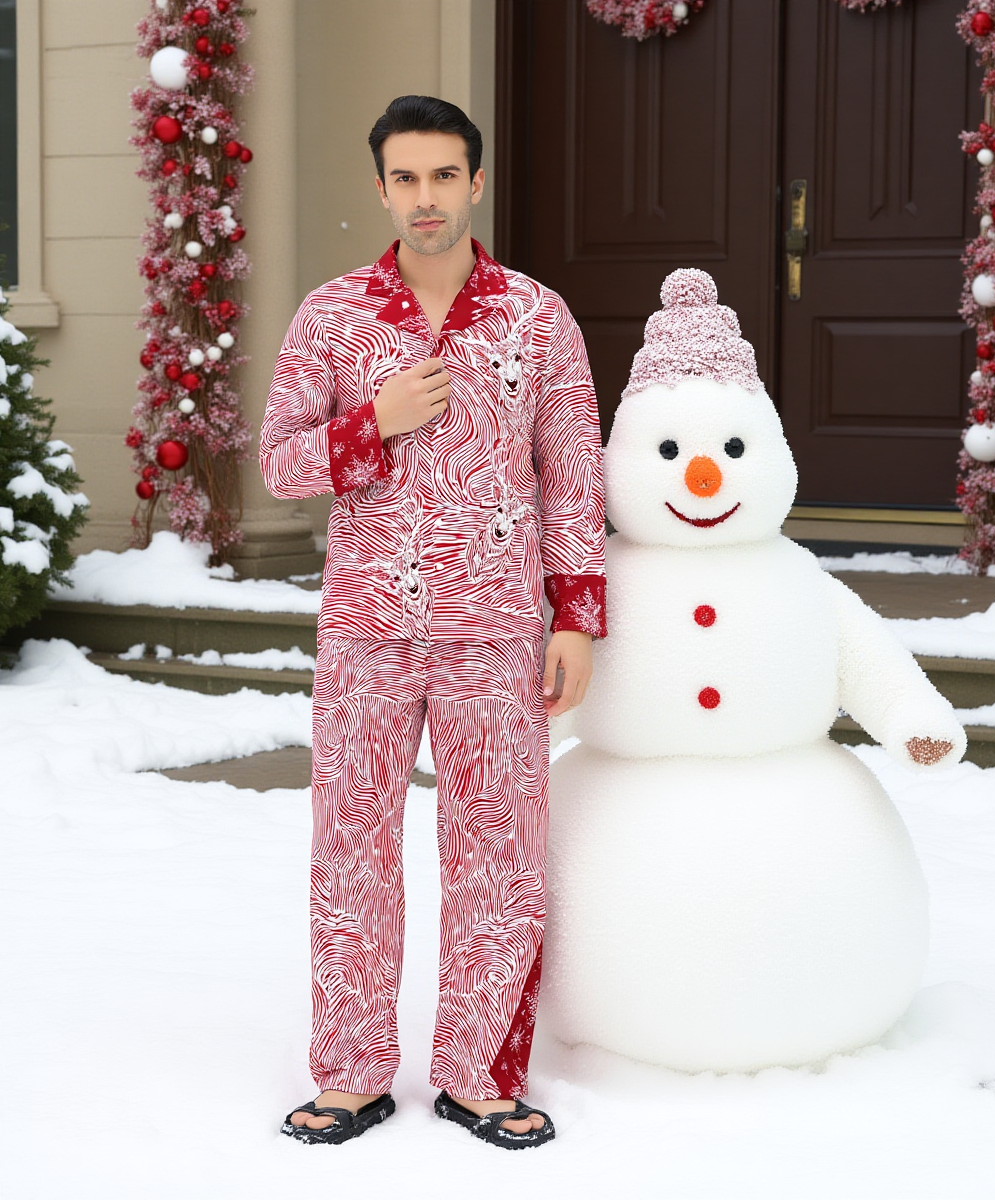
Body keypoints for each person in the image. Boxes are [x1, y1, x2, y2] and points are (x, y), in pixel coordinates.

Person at [260, 95, 606, 1150]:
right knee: (351, 849)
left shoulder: (538, 318)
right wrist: (374, 424)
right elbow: (278, 463)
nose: (424, 198)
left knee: (498, 856)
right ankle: (353, 1074)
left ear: (475, 182)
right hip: (365, 627)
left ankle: (479, 1076)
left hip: (496, 625)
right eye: (404, 179)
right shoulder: (330, 317)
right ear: (379, 187)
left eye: (443, 176)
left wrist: (576, 614)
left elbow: (574, 474)